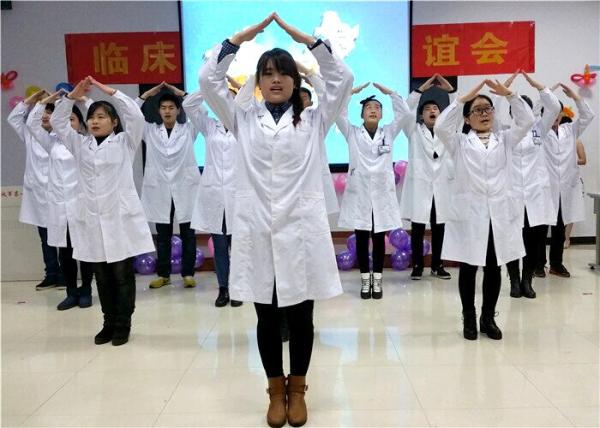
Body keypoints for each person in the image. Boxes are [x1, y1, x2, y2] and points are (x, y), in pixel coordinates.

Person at [199, 13, 352, 427]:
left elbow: (343, 80)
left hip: (301, 231)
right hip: (258, 232)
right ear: (258, 82)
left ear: (295, 80)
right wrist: (237, 39)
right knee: (266, 316)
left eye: (283, 73)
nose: (276, 80)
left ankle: (297, 389)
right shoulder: (242, 118)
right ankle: (274, 389)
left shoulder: (315, 120)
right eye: (267, 73)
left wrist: (308, 43)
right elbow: (208, 80)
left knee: (302, 316)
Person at [50, 76, 155, 346]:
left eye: (101, 117)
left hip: (119, 219)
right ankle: (108, 322)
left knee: (121, 275)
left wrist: (111, 92)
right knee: (102, 276)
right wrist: (71, 97)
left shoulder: (125, 142)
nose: (95, 121)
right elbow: (58, 122)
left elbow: (136, 117)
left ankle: (123, 323)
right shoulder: (79, 144)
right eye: (92, 117)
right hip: (92, 220)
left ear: (114, 122)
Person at [435, 79, 535, 341]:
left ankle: (487, 317)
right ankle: (469, 316)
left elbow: (527, 121)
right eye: (477, 110)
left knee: (493, 266)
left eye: (488, 109)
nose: (484, 114)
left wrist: (510, 95)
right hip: (471, 214)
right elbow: (441, 126)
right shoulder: (459, 142)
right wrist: (460, 100)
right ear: (467, 119)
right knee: (469, 267)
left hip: (499, 214)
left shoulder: (506, 139)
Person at [26, 89, 95, 310]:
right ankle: (71, 292)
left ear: (80, 124)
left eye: (71, 120)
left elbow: (95, 115)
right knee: (65, 253)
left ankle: (86, 290)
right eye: (63, 121)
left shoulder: (87, 142)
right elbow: (32, 124)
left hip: (81, 205)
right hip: (60, 206)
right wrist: (44, 102)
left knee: (85, 251)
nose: (67, 124)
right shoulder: (51, 142)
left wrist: (84, 100)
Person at [494, 71, 561, 298]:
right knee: (512, 238)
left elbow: (554, 108)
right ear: (512, 111)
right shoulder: (503, 132)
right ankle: (514, 279)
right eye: (517, 107)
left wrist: (539, 86)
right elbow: (493, 113)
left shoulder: (539, 130)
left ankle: (527, 280)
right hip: (511, 193)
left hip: (536, 193)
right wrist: (503, 92)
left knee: (534, 240)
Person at [336, 82, 404, 299]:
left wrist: (392, 93)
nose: (373, 110)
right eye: (368, 107)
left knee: (379, 238)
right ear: (362, 114)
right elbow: (338, 113)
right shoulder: (352, 132)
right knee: (362, 238)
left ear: (382, 114)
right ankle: (365, 281)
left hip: (382, 193)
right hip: (360, 193)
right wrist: (349, 93)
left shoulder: (389, 132)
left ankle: (378, 280)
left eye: (377, 107)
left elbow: (404, 114)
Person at [136, 82, 201, 289]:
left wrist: (180, 93)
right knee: (163, 235)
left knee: (188, 234)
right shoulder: (150, 131)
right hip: (160, 189)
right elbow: (132, 115)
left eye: (171, 107)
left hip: (185, 187)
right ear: (158, 111)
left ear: (178, 110)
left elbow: (198, 109)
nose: (167, 111)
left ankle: (188, 274)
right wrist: (147, 95)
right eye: (163, 108)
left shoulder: (189, 129)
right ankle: (163, 274)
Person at [184, 87, 243, 307]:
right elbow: (188, 104)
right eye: (222, 99)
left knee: (238, 246)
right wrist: (208, 88)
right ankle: (223, 288)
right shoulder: (209, 125)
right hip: (214, 194)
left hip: (238, 195)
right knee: (219, 245)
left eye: (230, 99)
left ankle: (238, 288)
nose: (226, 102)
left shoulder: (244, 125)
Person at [397, 73, 455, 280]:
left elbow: (456, 112)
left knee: (440, 227)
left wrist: (450, 92)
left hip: (441, 186)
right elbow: (404, 111)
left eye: (435, 109)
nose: (432, 111)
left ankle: (437, 265)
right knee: (418, 227)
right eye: (427, 109)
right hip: (420, 187)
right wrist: (419, 91)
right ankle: (417, 265)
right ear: (421, 115)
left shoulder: (447, 132)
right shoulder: (413, 131)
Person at [7, 89, 65, 290]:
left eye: (50, 111)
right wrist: (30, 100)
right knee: (45, 237)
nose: (45, 115)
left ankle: (66, 274)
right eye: (43, 111)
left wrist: (58, 102)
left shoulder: (63, 136)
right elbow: (14, 118)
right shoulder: (30, 134)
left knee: (64, 235)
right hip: (38, 194)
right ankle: (51, 274)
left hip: (60, 193)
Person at [540, 84, 595, 277]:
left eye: (558, 112)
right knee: (540, 229)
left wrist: (575, 97)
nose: (555, 116)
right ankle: (538, 264)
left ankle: (556, 264)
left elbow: (588, 116)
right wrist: (544, 94)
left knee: (559, 229)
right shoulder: (538, 132)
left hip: (565, 190)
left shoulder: (570, 130)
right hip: (544, 189)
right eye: (550, 111)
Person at [564, 137, 587, 248]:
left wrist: (570, 160)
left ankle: (566, 238)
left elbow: (583, 160)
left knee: (571, 211)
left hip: (573, 181)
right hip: (559, 180)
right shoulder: (555, 140)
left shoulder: (577, 141)